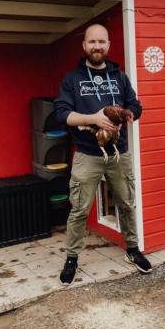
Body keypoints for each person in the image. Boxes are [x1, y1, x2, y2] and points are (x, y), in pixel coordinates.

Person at [54, 23, 153, 285]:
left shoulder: (119, 76)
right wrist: (94, 118)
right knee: (79, 209)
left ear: (108, 45)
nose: (97, 46)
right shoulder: (72, 78)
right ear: (84, 45)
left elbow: (135, 104)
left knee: (126, 203)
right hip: (87, 153)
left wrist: (127, 113)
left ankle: (132, 249)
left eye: (102, 42)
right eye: (92, 42)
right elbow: (62, 113)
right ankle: (72, 258)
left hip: (119, 153)